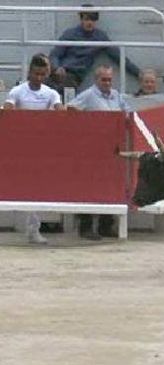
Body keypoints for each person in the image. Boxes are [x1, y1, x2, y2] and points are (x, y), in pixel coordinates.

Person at [2, 54, 64, 244]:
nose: (39, 78)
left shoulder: (51, 93)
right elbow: (8, 109)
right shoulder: (17, 91)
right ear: (30, 72)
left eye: (43, 74)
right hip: (18, 146)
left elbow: (60, 112)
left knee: (35, 187)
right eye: (36, 74)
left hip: (40, 147)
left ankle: (33, 229)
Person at [68, 64, 131, 240]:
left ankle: (105, 225)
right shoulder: (89, 95)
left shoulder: (116, 95)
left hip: (112, 149)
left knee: (109, 185)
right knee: (89, 187)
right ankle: (85, 226)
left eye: (110, 79)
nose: (107, 83)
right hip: (92, 149)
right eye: (104, 79)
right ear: (97, 80)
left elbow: (127, 114)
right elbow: (71, 110)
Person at [48, 4, 141, 95]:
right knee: (40, 84)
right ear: (81, 19)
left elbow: (118, 57)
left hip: (74, 76)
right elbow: (55, 54)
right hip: (58, 72)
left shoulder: (100, 37)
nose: (90, 22)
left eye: (93, 19)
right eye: (87, 19)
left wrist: (138, 73)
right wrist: (57, 67)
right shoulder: (70, 33)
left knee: (63, 89)